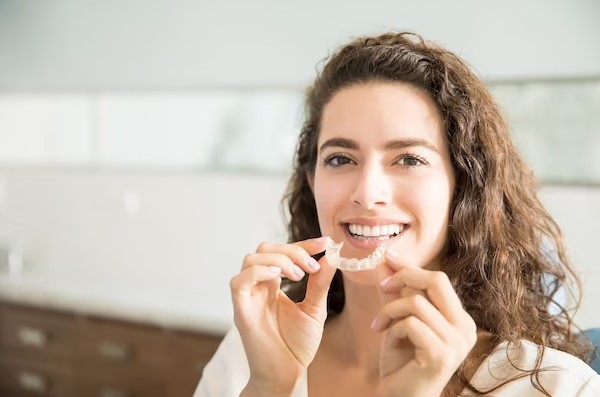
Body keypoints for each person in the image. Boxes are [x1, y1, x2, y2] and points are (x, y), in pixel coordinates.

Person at [194, 32, 600, 396]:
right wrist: (268, 388)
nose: (367, 193)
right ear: (312, 181)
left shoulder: (558, 387)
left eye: (407, 158)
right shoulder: (251, 354)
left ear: (464, 187)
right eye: (339, 158)